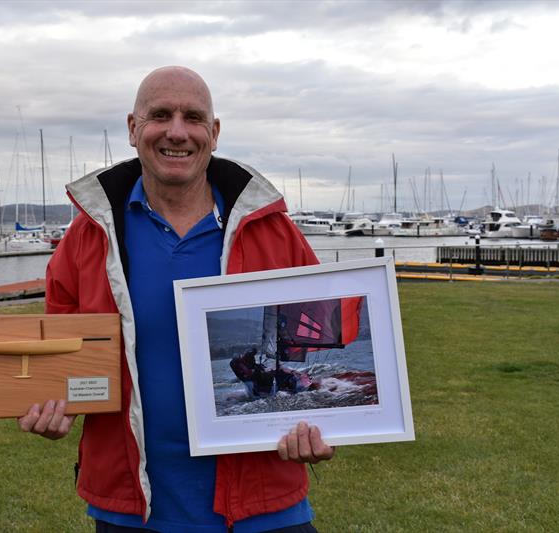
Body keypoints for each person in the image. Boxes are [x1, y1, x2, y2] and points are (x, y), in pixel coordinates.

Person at [18, 66, 334, 532]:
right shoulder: (89, 236)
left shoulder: (272, 230)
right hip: (133, 509)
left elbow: (320, 332)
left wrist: (331, 425)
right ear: (132, 128)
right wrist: (50, 404)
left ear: (215, 132)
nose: (177, 132)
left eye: (193, 117)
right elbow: (62, 359)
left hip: (263, 508)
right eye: (160, 115)